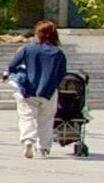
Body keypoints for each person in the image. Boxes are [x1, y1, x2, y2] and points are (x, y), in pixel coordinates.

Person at [6, 19, 67, 158]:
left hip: (28, 90)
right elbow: (62, 73)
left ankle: (28, 140)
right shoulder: (58, 53)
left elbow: (12, 65)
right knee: (46, 119)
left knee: (26, 116)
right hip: (49, 92)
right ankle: (44, 147)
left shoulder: (27, 49)